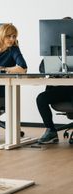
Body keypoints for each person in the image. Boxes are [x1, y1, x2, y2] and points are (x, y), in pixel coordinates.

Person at [36, 16, 73, 144]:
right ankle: (51, 130)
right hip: (59, 89)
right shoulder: (54, 49)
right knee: (41, 98)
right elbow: (42, 69)